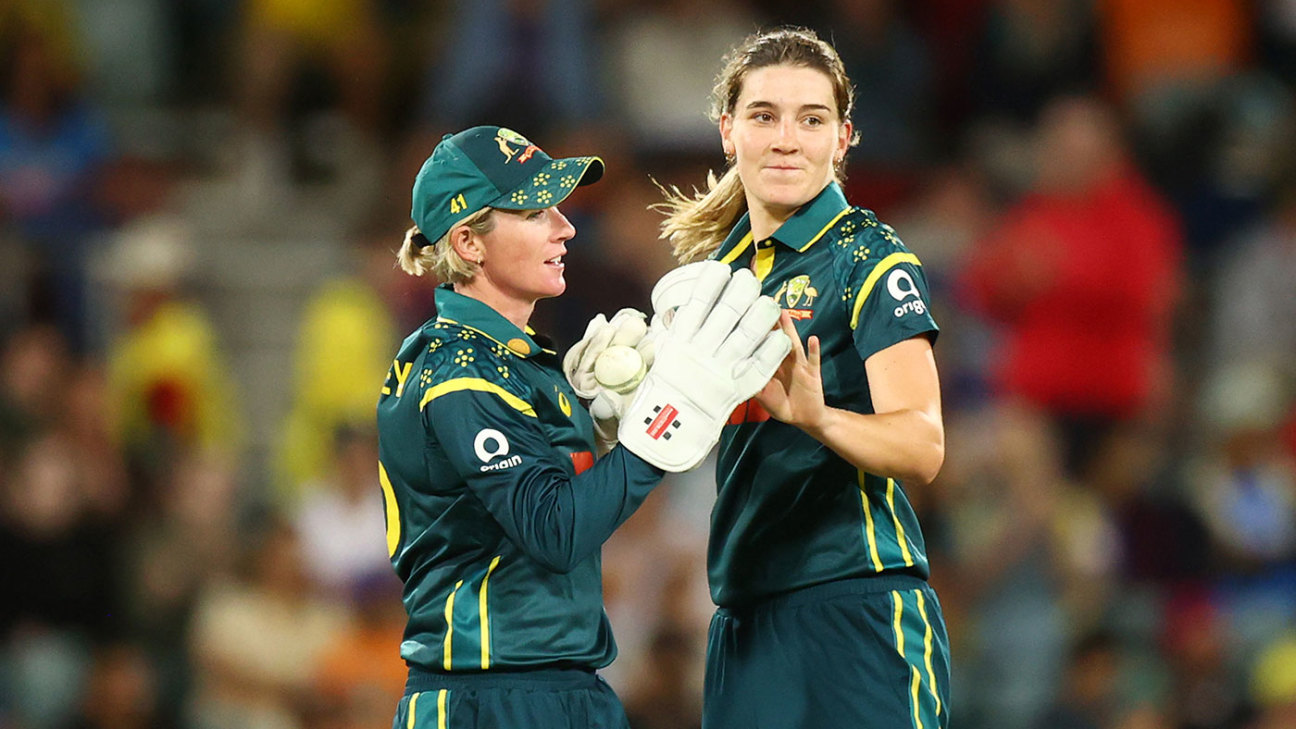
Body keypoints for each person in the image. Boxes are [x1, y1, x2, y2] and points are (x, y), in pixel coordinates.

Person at [376, 125, 786, 729]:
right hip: (486, 696)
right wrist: (664, 421)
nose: (565, 227)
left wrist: (602, 432)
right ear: (468, 241)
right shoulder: (459, 370)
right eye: (534, 212)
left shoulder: (518, 361)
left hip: (563, 686)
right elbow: (555, 530)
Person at [655, 27, 950, 729]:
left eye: (811, 119)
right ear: (728, 132)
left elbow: (923, 445)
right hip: (745, 616)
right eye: (764, 116)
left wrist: (819, 418)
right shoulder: (715, 278)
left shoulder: (868, 259)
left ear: (842, 138)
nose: (786, 140)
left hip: (854, 605)